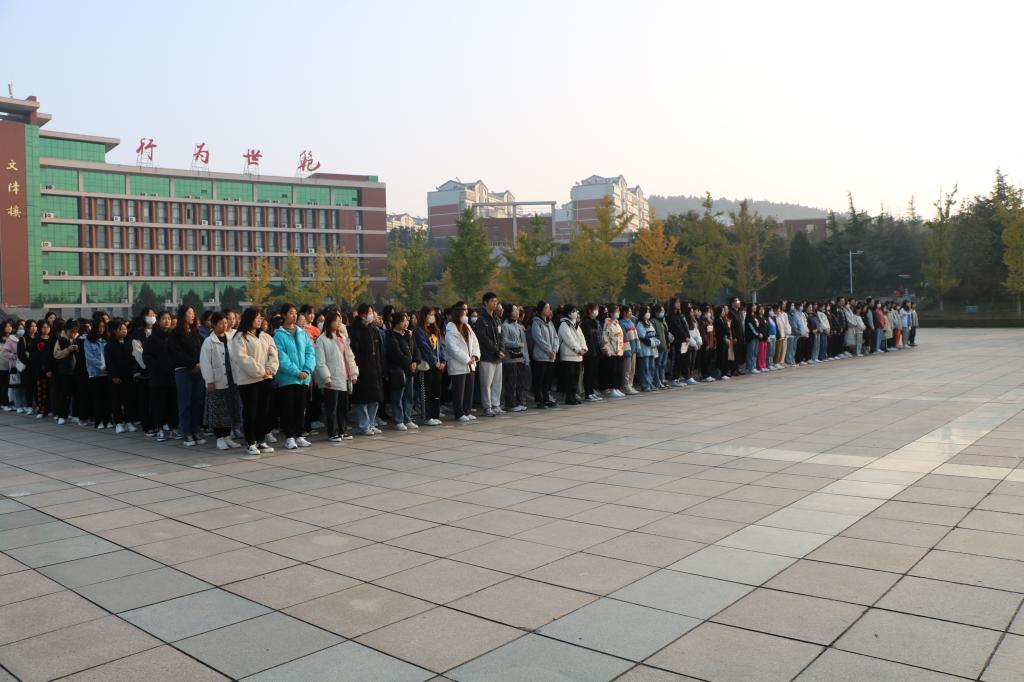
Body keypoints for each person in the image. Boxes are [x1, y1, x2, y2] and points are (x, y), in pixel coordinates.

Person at [231, 307, 279, 455]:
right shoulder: (240, 337)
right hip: (249, 381)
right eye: (257, 317)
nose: (260, 320)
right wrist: (261, 371)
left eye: (261, 318)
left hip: (266, 379)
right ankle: (250, 442)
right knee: (250, 412)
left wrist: (270, 369)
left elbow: (273, 354)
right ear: (249, 318)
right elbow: (243, 359)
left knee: (263, 411)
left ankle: (261, 440)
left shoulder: (265, 336)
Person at [274, 303, 316, 449]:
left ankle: (299, 435)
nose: (294, 315)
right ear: (284, 315)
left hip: (303, 378)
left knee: (300, 408)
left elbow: (310, 352)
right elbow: (281, 358)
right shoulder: (278, 335)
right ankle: (289, 437)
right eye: (291, 313)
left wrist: (307, 370)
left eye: (295, 313)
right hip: (287, 378)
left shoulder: (302, 333)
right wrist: (296, 372)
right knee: (288, 409)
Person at [200, 312, 243, 451]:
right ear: (213, 325)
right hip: (217, 382)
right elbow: (205, 363)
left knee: (230, 410)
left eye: (225, 323)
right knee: (218, 412)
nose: (224, 325)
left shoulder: (231, 338)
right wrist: (209, 381)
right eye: (220, 323)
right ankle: (219, 438)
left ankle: (227, 437)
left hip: (232, 380)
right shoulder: (209, 341)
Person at [315, 310, 358, 442]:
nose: (339, 323)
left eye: (340, 320)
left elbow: (350, 357)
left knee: (343, 407)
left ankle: (342, 430)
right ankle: (332, 432)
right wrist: (326, 377)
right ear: (329, 322)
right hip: (332, 378)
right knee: (332, 408)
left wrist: (353, 373)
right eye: (336, 320)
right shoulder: (322, 339)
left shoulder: (342, 338)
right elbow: (320, 361)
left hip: (344, 376)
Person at [348, 304, 385, 435]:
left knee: (374, 399)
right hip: (362, 369)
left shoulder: (373, 330)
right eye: (369, 312)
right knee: (362, 400)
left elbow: (379, 351)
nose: (371, 315)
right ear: (362, 314)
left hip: (374, 369)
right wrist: (357, 370)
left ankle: (371, 423)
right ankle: (364, 425)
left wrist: (380, 367)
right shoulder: (355, 330)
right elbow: (354, 352)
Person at [144, 311, 178, 441]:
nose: (167, 321)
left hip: (172, 376)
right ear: (158, 322)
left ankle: (173, 428)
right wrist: (158, 367)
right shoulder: (152, 338)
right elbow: (147, 357)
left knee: (172, 404)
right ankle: (159, 429)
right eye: (164, 319)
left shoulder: (173, 336)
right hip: (158, 377)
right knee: (158, 404)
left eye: (169, 318)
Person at [446, 301, 481, 422]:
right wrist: (467, 359)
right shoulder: (451, 328)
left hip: (471, 364)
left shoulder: (467, 326)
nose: (466, 312)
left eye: (467, 309)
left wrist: (474, 356)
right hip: (459, 364)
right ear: (457, 312)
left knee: (469, 389)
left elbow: (475, 342)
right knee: (459, 391)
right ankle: (459, 413)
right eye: (464, 310)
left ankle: (467, 411)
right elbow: (452, 347)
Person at [386, 311, 420, 430]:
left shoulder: (408, 334)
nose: (406, 323)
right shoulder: (391, 336)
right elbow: (397, 354)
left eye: (407, 320)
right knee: (398, 396)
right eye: (404, 321)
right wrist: (409, 363)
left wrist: (415, 361)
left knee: (409, 396)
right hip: (398, 371)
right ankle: (398, 420)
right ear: (397, 322)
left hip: (410, 370)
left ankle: (407, 418)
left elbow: (415, 349)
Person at [473, 292, 505, 417]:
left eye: (496, 301)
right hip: (487, 356)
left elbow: (502, 337)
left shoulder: (497, 319)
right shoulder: (481, 320)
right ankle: (487, 407)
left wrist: (501, 350)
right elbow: (483, 338)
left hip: (498, 357)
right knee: (486, 384)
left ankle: (496, 405)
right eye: (492, 301)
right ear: (486, 303)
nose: (495, 303)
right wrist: (497, 350)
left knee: (497, 382)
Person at [413, 306, 445, 426]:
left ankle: (435, 415)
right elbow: (424, 347)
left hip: (438, 366)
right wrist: (435, 362)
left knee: (436, 392)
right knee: (427, 392)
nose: (432, 317)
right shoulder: (418, 331)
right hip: (427, 366)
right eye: (430, 314)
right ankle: (427, 416)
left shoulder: (435, 329)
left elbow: (440, 347)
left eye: (433, 315)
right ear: (424, 315)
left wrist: (443, 361)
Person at [105, 319, 136, 433]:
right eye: (121, 329)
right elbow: (109, 362)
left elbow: (133, 359)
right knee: (117, 401)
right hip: (116, 377)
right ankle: (118, 423)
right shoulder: (109, 345)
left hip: (128, 375)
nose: (124, 331)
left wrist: (134, 372)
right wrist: (113, 376)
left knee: (129, 400)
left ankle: (129, 421)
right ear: (114, 331)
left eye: (125, 329)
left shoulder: (129, 342)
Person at [131, 308, 158, 435]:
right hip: (142, 371)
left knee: (154, 400)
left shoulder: (157, 331)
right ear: (143, 317)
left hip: (156, 370)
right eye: (149, 315)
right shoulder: (138, 332)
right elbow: (138, 353)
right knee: (144, 400)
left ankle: (156, 423)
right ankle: (147, 425)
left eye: (153, 315)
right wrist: (148, 365)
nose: (152, 317)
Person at [82, 317, 111, 428]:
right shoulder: (88, 340)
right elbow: (90, 357)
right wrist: (102, 366)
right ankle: (99, 421)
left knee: (107, 397)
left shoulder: (107, 339)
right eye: (99, 327)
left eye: (103, 326)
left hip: (107, 372)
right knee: (98, 398)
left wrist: (108, 366)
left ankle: (107, 420)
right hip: (95, 373)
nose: (101, 329)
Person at [529, 300, 559, 409]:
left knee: (547, 380)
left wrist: (554, 350)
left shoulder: (550, 323)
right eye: (546, 308)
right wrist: (549, 350)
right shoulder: (536, 322)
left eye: (549, 308)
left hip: (551, 356)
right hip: (541, 356)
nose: (549, 310)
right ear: (541, 309)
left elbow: (556, 337)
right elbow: (538, 339)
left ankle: (547, 398)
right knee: (539, 379)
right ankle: (540, 400)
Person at [501, 304, 529, 411]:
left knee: (519, 383)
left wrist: (526, 358)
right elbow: (504, 342)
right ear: (508, 313)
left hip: (520, 358)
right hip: (510, 359)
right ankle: (510, 404)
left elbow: (524, 344)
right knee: (510, 383)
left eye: (517, 310)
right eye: (514, 310)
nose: (517, 312)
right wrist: (517, 344)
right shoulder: (505, 326)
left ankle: (518, 402)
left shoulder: (519, 326)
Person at [556, 304, 587, 404]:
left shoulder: (576, 324)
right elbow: (569, 340)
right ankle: (569, 398)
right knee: (569, 378)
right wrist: (578, 350)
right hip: (568, 356)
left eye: (576, 311)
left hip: (578, 356)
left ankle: (573, 396)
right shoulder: (564, 324)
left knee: (576, 378)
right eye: (573, 311)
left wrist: (584, 348)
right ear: (568, 313)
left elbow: (581, 337)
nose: (576, 313)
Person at [601, 304, 625, 397]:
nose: (618, 313)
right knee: (612, 371)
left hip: (618, 350)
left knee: (618, 370)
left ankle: (616, 388)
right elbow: (605, 337)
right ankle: (612, 389)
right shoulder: (607, 323)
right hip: (612, 350)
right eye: (616, 311)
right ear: (611, 313)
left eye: (618, 311)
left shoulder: (617, 323)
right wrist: (607, 349)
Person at [31, 320, 53, 419]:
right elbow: (34, 356)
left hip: (51, 369)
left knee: (50, 390)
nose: (46, 329)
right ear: (40, 328)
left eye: (48, 327)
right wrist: (43, 367)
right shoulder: (36, 340)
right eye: (44, 327)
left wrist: (50, 368)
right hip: (39, 369)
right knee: (40, 391)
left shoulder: (53, 339)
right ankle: (42, 410)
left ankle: (50, 409)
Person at [635, 305, 659, 391]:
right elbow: (642, 336)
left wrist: (656, 341)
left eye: (649, 311)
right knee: (645, 367)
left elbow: (653, 333)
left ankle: (650, 382)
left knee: (652, 367)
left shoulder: (649, 322)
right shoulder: (640, 324)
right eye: (647, 312)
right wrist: (651, 342)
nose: (648, 313)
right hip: (645, 349)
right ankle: (645, 385)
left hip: (652, 349)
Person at [651, 304, 670, 389]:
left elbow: (666, 332)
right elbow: (654, 334)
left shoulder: (663, 320)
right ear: (656, 312)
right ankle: (657, 381)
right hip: (659, 346)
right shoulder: (653, 321)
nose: (663, 312)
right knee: (657, 364)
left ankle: (662, 380)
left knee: (663, 365)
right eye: (661, 311)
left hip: (665, 345)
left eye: (663, 311)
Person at [714, 305, 734, 379]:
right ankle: (721, 373)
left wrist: (728, 337)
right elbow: (719, 332)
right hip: (721, 342)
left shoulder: (723, 319)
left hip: (726, 341)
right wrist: (724, 338)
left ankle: (725, 373)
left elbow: (727, 329)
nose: (723, 312)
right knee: (721, 357)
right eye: (722, 311)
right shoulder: (716, 320)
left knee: (725, 357)